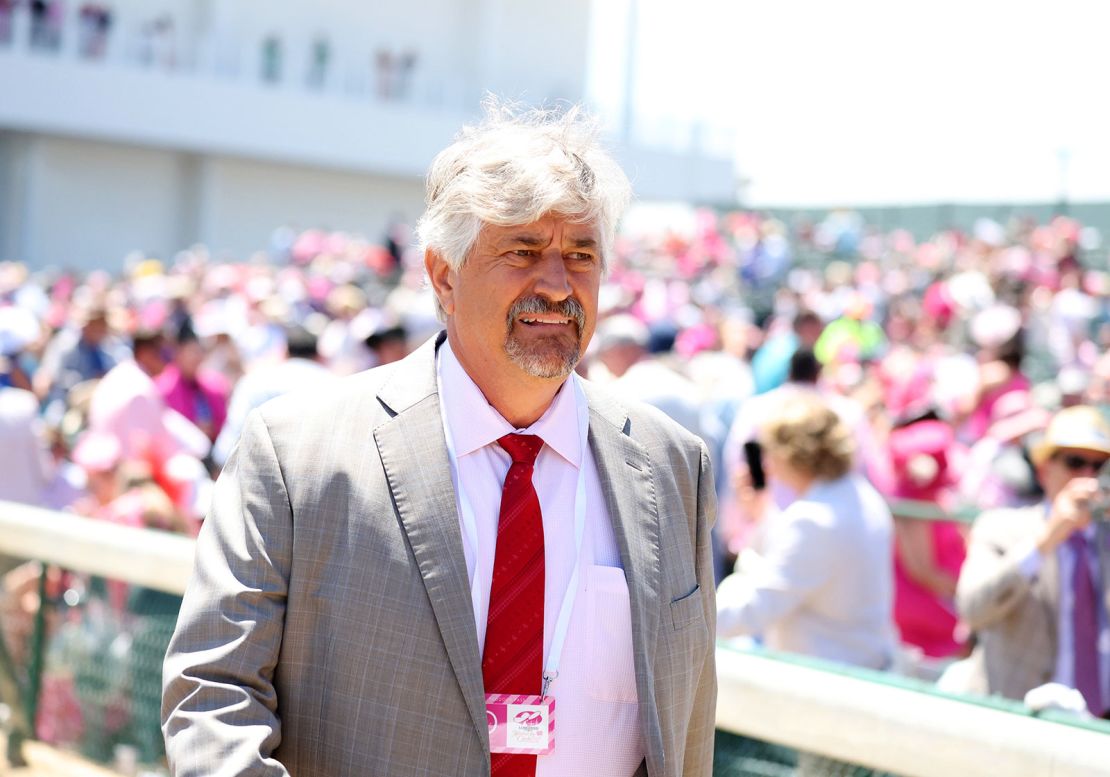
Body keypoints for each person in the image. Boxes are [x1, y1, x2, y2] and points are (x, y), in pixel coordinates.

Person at [162, 102, 717, 776]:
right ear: (443, 274)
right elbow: (213, 692)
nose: (556, 282)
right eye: (523, 250)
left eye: (581, 255)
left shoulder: (670, 466)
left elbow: (685, 729)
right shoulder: (298, 454)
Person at [716, 393, 897, 671]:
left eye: (771, 451)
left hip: (826, 681)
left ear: (791, 455)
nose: (767, 464)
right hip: (860, 664)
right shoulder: (862, 497)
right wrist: (762, 517)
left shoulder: (812, 521)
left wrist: (688, 617)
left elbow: (751, 611)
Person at [954, 405, 1110, 718]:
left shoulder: (1105, 538)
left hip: (1099, 720)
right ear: (1043, 470)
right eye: (1075, 462)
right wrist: (1046, 540)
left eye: (1099, 466)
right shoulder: (1002, 527)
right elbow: (974, 609)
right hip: (1022, 719)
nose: (1087, 477)